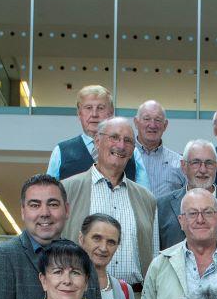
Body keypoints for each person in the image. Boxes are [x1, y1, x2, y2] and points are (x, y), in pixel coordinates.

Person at [64, 116, 159, 288]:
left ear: (132, 151)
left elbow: (154, 259)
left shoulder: (147, 200)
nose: (121, 146)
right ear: (97, 142)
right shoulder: (67, 190)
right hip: (80, 297)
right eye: (114, 137)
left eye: (128, 141)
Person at [155, 139, 217, 254]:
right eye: (196, 162)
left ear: (216, 166)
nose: (203, 170)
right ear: (183, 166)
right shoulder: (161, 206)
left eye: (209, 163)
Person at [47, 84, 144, 182]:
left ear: (111, 113)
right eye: (88, 108)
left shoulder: (131, 151)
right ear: (79, 113)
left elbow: (143, 195)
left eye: (100, 108)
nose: (94, 114)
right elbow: (49, 193)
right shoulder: (61, 151)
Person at [133, 100, 186, 199]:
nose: (152, 125)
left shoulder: (179, 163)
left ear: (165, 125)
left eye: (157, 120)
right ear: (136, 122)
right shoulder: (123, 158)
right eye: (147, 119)